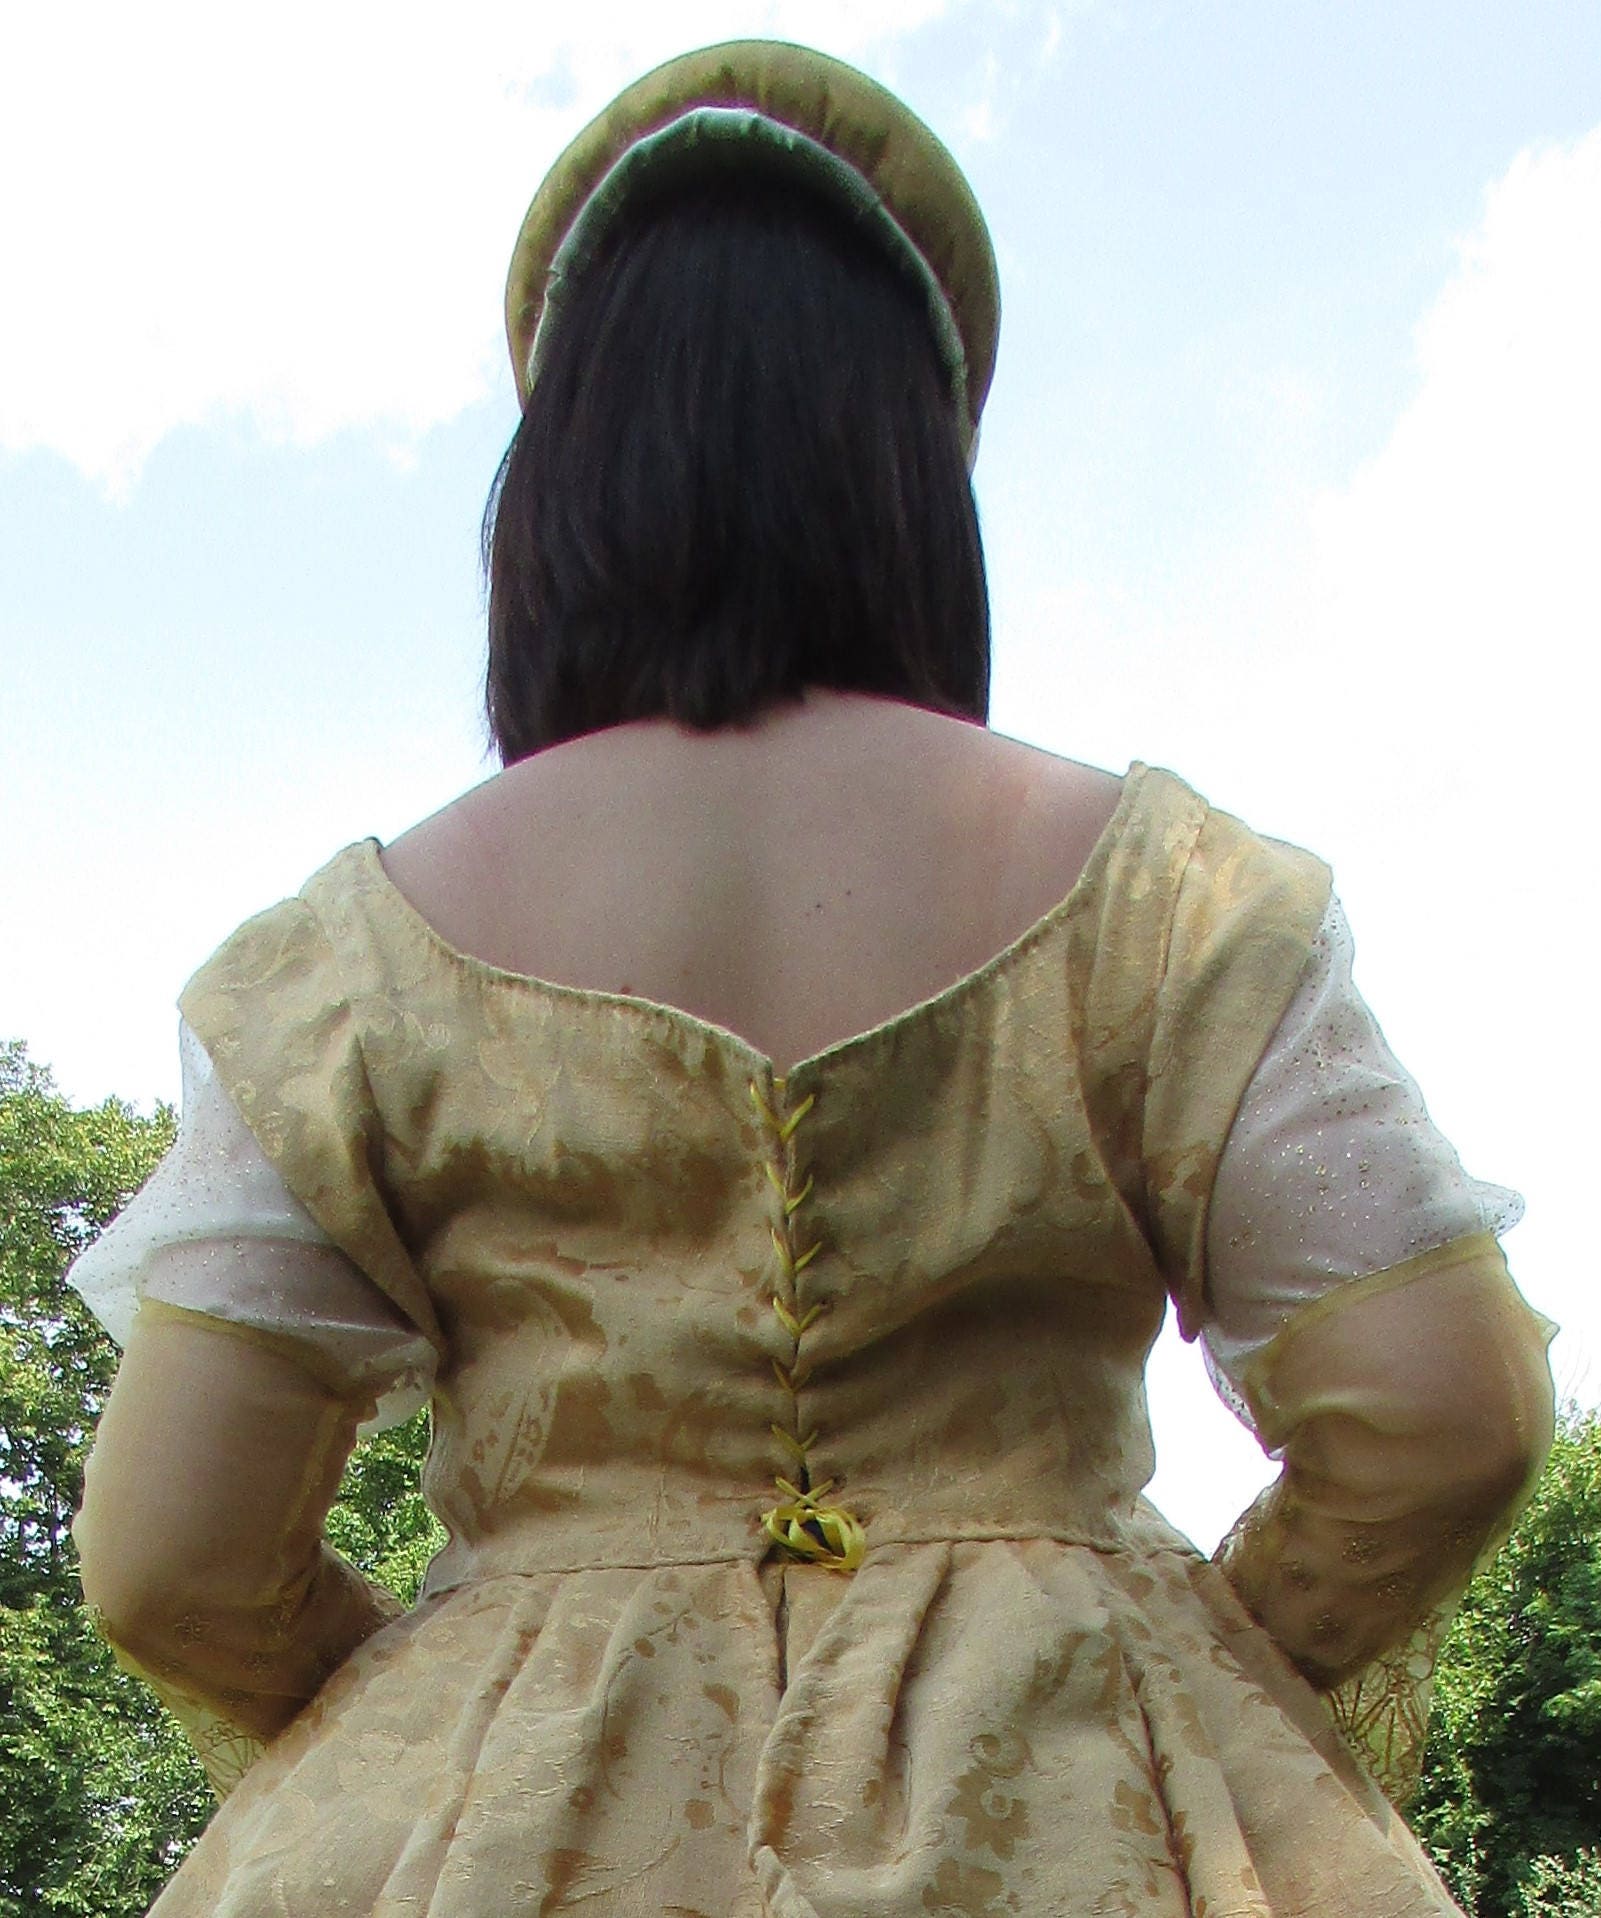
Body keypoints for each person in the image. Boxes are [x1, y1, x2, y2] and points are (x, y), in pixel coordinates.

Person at [67, 40, 1555, 1918]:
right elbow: (1443, 1404)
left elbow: (170, 1555)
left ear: (558, 484)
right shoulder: (1167, 898)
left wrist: (452, 1718)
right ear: (915, 478)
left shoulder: (342, 965)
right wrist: (1172, 1660)